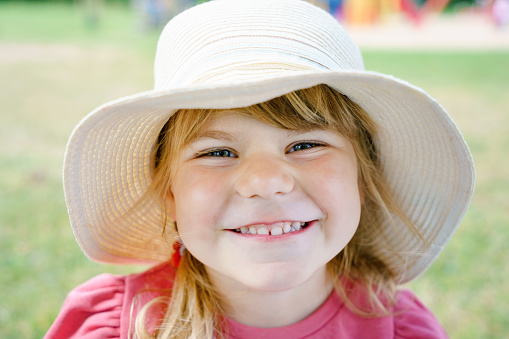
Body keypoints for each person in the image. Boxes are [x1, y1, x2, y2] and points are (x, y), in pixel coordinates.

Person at [45, 0, 475, 338]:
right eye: (217, 153)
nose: (265, 182)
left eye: (305, 144)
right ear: (169, 193)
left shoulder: (399, 329)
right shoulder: (118, 326)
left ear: (362, 178)